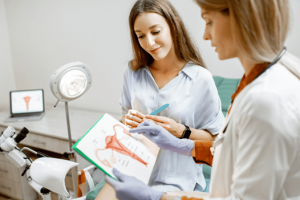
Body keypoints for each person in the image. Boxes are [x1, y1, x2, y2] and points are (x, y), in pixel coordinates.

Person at [105, 0, 300, 199]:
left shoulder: (267, 100)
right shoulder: (254, 82)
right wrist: (179, 144)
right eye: (141, 36)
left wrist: (155, 197)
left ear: (240, 20)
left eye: (209, 22)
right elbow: (229, 151)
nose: (205, 35)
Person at [94, 0, 224, 199]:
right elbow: (124, 120)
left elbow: (216, 139)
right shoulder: (132, 71)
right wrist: (126, 122)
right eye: (141, 36)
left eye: (155, 32)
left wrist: (181, 131)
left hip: (177, 181)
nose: (149, 43)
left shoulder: (200, 78)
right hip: (132, 172)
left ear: (173, 25)